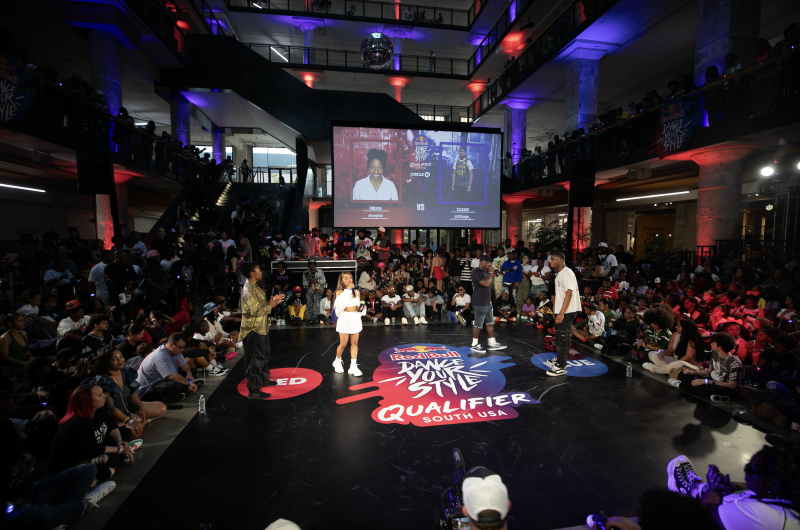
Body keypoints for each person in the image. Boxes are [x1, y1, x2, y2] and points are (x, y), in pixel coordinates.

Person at [666, 444, 800, 530]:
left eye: (749, 469)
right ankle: (697, 487)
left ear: (772, 483)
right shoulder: (789, 492)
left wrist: (715, 490)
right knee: (737, 493)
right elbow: (752, 488)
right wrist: (731, 485)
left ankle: (691, 489)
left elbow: (702, 516)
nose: (745, 471)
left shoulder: (759, 515)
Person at [44, 384, 137, 480]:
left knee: (125, 431)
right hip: (71, 463)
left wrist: (119, 442)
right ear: (88, 401)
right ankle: (96, 470)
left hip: (93, 447)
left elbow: (111, 425)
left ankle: (104, 466)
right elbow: (93, 449)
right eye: (100, 395)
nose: (105, 396)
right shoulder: (76, 424)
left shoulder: (100, 409)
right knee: (113, 459)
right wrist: (121, 450)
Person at [89, 348, 166, 438]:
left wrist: (141, 407)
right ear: (106, 362)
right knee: (135, 434)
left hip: (128, 409)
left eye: (121, 356)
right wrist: (129, 421)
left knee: (162, 408)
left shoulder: (125, 372)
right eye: (114, 359)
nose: (120, 360)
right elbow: (111, 409)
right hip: (114, 417)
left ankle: (139, 421)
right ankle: (138, 422)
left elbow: (131, 393)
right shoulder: (103, 381)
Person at [240, 262, 283, 400]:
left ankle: (263, 379)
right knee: (255, 358)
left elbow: (261, 307)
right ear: (252, 273)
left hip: (261, 327)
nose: (261, 272)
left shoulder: (254, 287)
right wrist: (270, 305)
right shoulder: (250, 289)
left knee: (264, 354)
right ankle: (253, 390)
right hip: (253, 329)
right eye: (259, 270)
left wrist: (272, 303)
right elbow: (256, 311)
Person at [671, 332, 742, 402]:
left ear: (719, 347)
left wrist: (707, 382)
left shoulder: (734, 363)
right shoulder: (715, 353)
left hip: (725, 387)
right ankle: (716, 396)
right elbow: (709, 370)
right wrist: (693, 373)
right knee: (683, 374)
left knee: (701, 389)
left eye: (713, 343)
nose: (711, 344)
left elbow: (732, 385)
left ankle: (681, 385)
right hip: (712, 381)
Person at [545, 252, 582, 377]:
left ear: (561, 260)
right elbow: (559, 294)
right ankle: (560, 358)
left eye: (553, 259)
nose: (550, 262)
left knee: (562, 336)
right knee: (561, 335)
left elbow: (569, 294)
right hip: (561, 310)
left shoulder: (567, 273)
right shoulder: (559, 274)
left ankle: (561, 366)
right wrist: (555, 310)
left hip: (567, 311)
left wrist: (561, 313)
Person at [135, 333, 199, 403]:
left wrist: (189, 374)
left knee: (188, 372)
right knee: (176, 385)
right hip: (147, 389)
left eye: (183, 347)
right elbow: (174, 377)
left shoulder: (175, 351)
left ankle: (185, 388)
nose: (182, 350)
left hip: (161, 381)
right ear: (171, 345)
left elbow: (184, 363)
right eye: (180, 347)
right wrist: (188, 383)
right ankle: (186, 388)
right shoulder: (161, 355)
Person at [470, 255, 506, 353]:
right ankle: (474, 344)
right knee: (478, 324)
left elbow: (493, 276)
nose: (488, 264)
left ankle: (492, 342)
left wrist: (493, 272)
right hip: (479, 302)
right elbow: (485, 283)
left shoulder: (486, 272)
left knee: (490, 323)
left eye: (489, 262)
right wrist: (490, 272)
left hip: (487, 302)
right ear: (481, 262)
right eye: (486, 262)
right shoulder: (477, 272)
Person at [332, 272, 366, 376]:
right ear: (341, 281)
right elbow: (340, 305)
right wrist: (348, 291)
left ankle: (353, 366)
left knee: (355, 343)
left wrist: (362, 309)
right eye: (346, 278)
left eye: (350, 277)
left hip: (354, 318)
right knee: (343, 344)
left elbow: (357, 305)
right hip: (344, 318)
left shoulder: (357, 292)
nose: (349, 279)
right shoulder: (338, 292)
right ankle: (337, 361)